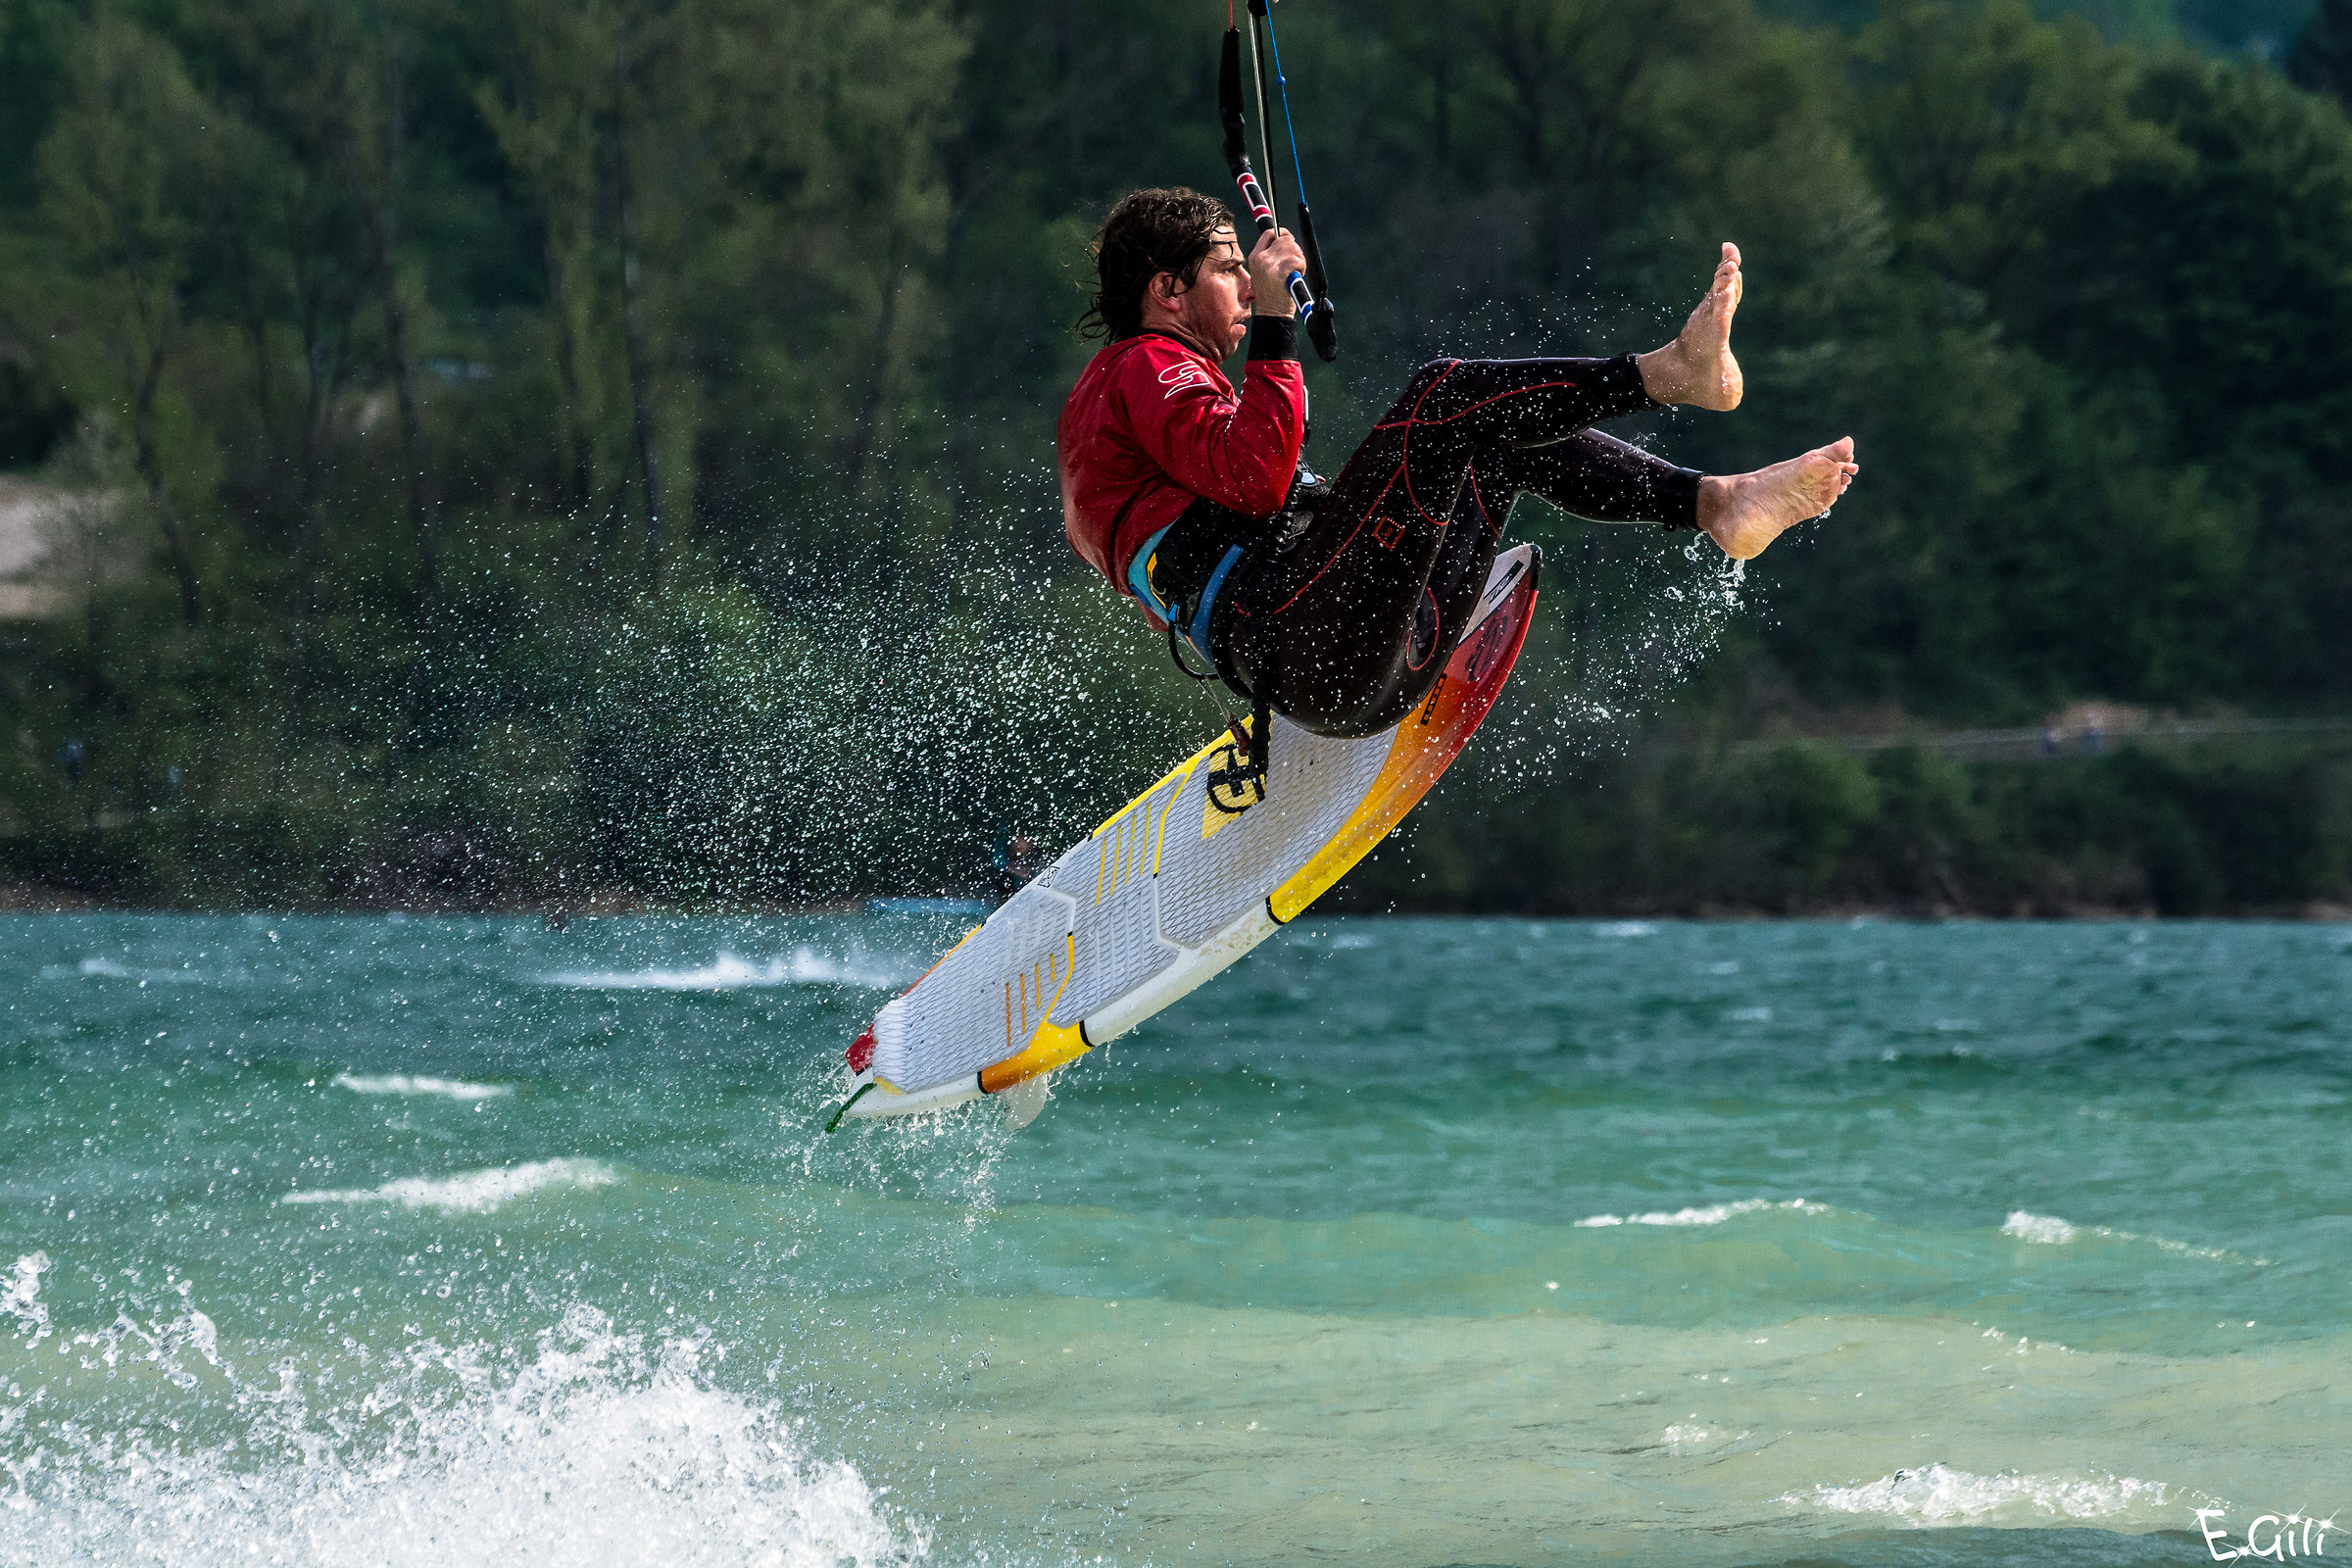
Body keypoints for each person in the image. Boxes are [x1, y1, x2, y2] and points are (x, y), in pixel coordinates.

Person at [1056, 187, 1859, 741]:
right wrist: (1275, 322)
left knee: (1487, 428)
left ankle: (1715, 503)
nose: (1245, 280)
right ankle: (1665, 375)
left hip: (1356, 661)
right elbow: (1259, 477)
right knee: (1441, 397)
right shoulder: (1143, 365)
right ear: (1167, 289)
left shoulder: (1107, 431)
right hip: (1316, 649)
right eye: (1229, 267)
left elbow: (1177, 540)